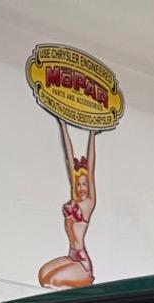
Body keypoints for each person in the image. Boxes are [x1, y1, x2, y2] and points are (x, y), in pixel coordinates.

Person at [39, 119, 96, 289]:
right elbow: (69, 159)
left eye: (84, 184)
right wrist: (63, 126)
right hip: (72, 256)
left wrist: (92, 135)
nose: (82, 187)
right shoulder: (73, 201)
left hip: (82, 264)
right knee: (43, 276)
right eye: (79, 184)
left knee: (52, 280)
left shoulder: (88, 203)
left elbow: (91, 168)